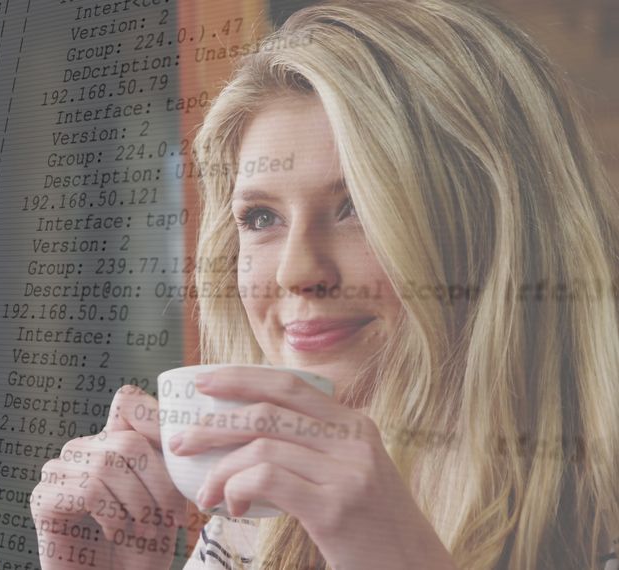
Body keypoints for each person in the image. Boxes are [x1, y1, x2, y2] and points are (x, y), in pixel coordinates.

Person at [30, 0, 619, 568]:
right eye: (261, 218)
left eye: (357, 206)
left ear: (499, 229)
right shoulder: (249, 526)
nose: (295, 272)